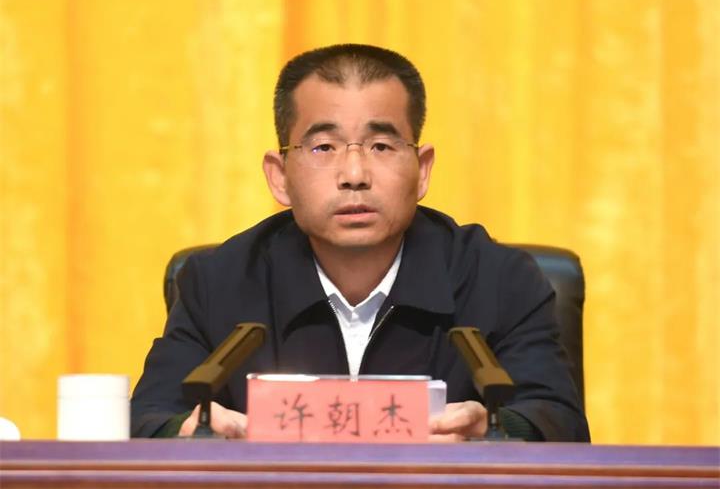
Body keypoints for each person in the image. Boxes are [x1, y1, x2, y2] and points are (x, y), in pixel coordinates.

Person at [131, 44, 590, 442]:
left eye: (381, 147)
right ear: (279, 177)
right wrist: (197, 433)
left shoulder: (498, 279)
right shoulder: (219, 283)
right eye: (323, 148)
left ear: (422, 169)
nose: (354, 175)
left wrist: (490, 431)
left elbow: (560, 424)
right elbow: (147, 421)